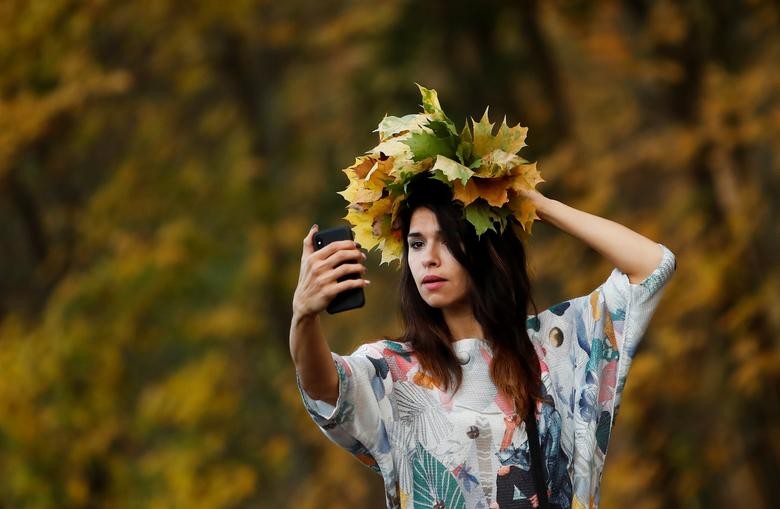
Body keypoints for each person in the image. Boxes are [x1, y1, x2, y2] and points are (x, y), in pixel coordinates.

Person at [289, 87, 677, 508]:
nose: (429, 259)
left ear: (483, 249)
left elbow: (652, 265)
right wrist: (303, 316)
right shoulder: (394, 373)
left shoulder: (556, 347)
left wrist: (535, 203)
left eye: (446, 241)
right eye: (417, 245)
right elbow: (323, 386)